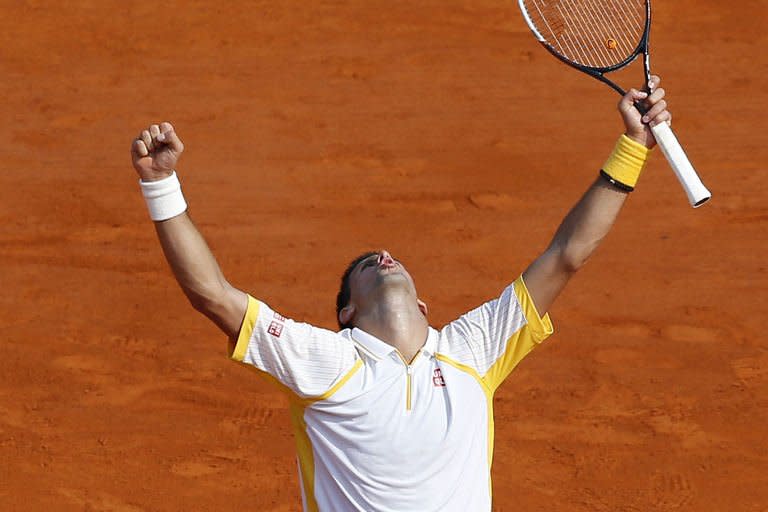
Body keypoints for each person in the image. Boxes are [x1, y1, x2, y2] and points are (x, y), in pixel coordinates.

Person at [130, 76, 671, 511]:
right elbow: (212, 295)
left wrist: (632, 147)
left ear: (423, 307)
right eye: (366, 266)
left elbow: (566, 255)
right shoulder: (326, 360)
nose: (384, 258)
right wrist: (160, 183)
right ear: (346, 312)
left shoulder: (472, 348)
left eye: (392, 261)